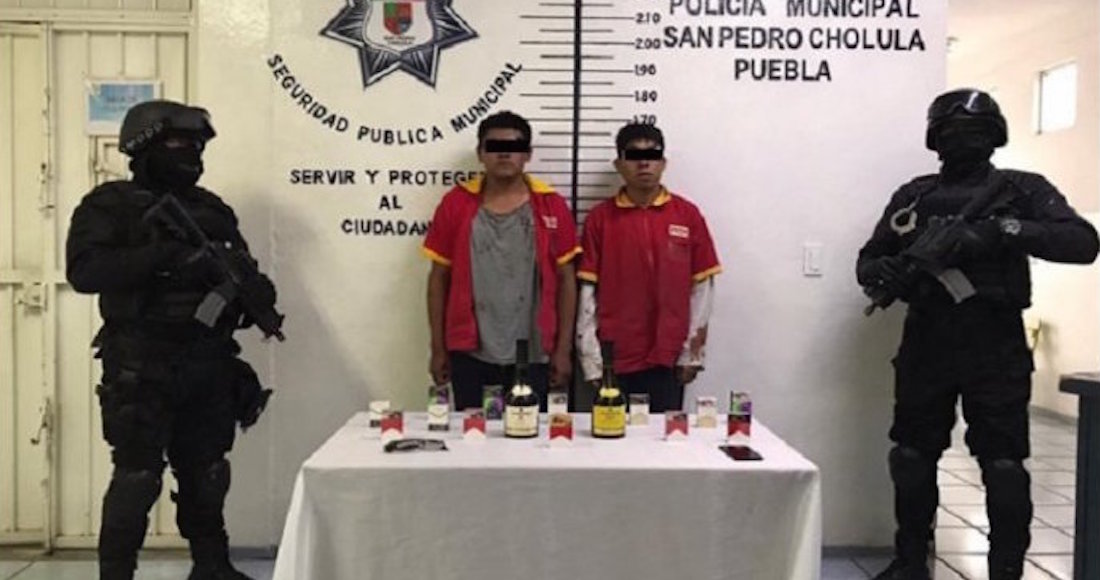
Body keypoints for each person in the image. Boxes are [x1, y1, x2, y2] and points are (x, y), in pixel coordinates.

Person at [856, 88, 1099, 580]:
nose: (963, 140)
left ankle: (1005, 570)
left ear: (995, 136)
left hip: (995, 343)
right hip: (927, 340)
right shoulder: (914, 196)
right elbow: (868, 260)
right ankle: (910, 562)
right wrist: (887, 271)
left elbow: (1082, 242)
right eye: (952, 131)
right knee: (911, 456)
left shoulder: (1021, 189)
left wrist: (1001, 231)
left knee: (1003, 464)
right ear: (935, 139)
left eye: (975, 131)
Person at [66, 100, 279, 580]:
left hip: (208, 362)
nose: (193, 154)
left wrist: (254, 295)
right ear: (145, 145)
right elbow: (85, 272)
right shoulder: (110, 205)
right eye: (181, 143)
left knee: (208, 472)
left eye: (199, 146)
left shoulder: (212, 210)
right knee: (138, 476)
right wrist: (165, 258)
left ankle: (212, 566)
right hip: (142, 363)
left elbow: (240, 270)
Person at [423, 111, 579, 410]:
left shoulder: (552, 206)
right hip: (471, 353)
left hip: (535, 354)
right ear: (480, 154)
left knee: (530, 433)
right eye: (494, 146)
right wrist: (438, 347)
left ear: (527, 155)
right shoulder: (455, 204)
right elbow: (438, 279)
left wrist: (562, 350)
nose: (504, 154)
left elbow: (566, 280)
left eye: (514, 147)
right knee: (477, 432)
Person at [576, 123, 721, 412]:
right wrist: (591, 361)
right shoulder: (600, 220)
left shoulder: (687, 215)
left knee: (665, 437)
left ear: (663, 163)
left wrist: (692, 354)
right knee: (610, 434)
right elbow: (587, 296)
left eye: (652, 155)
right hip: (614, 359)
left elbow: (702, 289)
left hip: (668, 358)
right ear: (619, 164)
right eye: (633, 156)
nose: (644, 163)